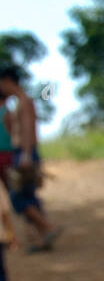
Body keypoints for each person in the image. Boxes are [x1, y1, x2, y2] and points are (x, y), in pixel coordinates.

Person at [0, 66, 58, 252]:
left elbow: (27, 129)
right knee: (28, 196)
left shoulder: (25, 102)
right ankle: (43, 237)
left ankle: (47, 227)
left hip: (24, 153)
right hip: (21, 152)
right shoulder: (18, 103)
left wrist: (25, 153)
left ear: (8, 80)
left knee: (18, 197)